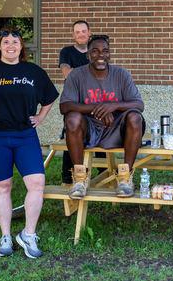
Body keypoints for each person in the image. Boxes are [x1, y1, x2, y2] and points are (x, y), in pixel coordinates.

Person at [0, 27, 58, 259]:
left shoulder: (33, 72)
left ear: (21, 47)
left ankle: (28, 234)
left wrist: (40, 117)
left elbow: (49, 98)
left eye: (15, 42)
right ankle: (6, 235)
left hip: (25, 136)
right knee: (3, 186)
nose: (10, 45)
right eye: (5, 41)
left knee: (37, 183)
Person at [60, 34, 145, 199]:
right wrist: (96, 109)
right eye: (95, 51)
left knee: (135, 117)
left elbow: (139, 104)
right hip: (89, 128)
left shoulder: (121, 74)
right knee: (72, 118)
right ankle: (79, 178)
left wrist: (113, 106)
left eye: (105, 51)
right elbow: (65, 106)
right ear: (88, 54)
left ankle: (125, 177)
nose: (101, 56)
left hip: (116, 127)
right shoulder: (76, 75)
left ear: (110, 54)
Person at [58, 20, 105, 185]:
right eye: (77, 32)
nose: (81, 34)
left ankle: (105, 174)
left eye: (83, 31)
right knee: (72, 134)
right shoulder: (67, 52)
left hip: (95, 99)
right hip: (74, 101)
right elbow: (67, 74)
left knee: (101, 133)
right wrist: (91, 74)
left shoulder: (96, 51)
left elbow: (103, 73)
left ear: (89, 32)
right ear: (73, 35)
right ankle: (68, 177)